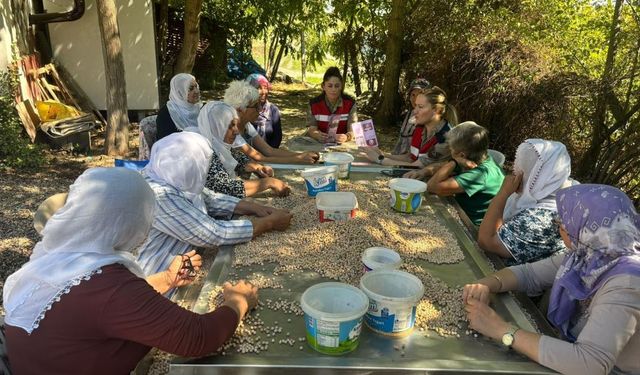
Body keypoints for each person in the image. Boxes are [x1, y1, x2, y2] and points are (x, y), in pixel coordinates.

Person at [2, 167, 259, 374]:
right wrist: (237, 301)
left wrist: (166, 280)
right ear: (127, 221)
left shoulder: (56, 260)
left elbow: (96, 309)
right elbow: (197, 337)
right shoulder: (112, 287)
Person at [463, 184, 640, 375]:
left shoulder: (627, 283)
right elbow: (529, 274)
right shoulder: (588, 255)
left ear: (586, 229)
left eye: (564, 224)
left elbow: (590, 364)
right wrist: (487, 283)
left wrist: (503, 330)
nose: (560, 229)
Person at [136, 132, 292, 276]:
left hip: (184, 267)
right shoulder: (159, 195)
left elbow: (209, 198)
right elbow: (212, 233)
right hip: (160, 278)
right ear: (188, 164)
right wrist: (269, 223)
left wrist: (257, 208)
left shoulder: (169, 174)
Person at [478, 139, 576, 265]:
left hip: (506, 275)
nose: (515, 171)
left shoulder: (539, 220)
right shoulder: (559, 185)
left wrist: (503, 194)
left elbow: (487, 242)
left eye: (523, 168)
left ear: (540, 174)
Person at [408, 121, 504, 225]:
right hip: (460, 211)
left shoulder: (480, 175)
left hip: (472, 227)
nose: (450, 152)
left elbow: (432, 186)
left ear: (462, 155)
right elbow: (443, 165)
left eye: (451, 150)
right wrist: (424, 171)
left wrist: (453, 163)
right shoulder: (481, 157)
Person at [193, 101, 290, 198]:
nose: (236, 131)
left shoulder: (221, 144)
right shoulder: (202, 150)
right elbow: (225, 187)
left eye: (235, 125)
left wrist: (258, 168)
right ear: (216, 127)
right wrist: (268, 182)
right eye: (230, 126)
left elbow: (240, 160)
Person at [224, 80, 319, 164]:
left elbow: (269, 151)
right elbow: (259, 158)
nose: (260, 109)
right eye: (256, 106)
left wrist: (302, 155)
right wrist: (299, 159)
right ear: (240, 109)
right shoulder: (230, 131)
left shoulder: (247, 126)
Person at [363, 86, 458, 167]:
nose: (415, 111)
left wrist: (380, 159)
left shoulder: (445, 138)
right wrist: (382, 153)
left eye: (420, 107)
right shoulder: (420, 128)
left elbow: (416, 166)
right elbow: (410, 157)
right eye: (416, 106)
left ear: (436, 110)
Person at [307, 67, 358, 144]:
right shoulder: (314, 104)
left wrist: (346, 137)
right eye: (330, 86)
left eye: (337, 86)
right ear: (323, 86)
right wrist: (317, 135)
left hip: (343, 145)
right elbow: (311, 129)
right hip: (319, 144)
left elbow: (353, 130)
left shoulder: (350, 104)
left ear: (341, 86)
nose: (333, 89)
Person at [392, 78, 433, 155]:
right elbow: (400, 141)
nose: (415, 99)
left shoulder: (429, 119)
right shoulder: (409, 114)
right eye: (413, 95)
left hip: (414, 164)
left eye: (419, 95)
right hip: (400, 162)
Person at [156, 73, 202, 140]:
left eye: (196, 86)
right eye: (191, 88)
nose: (196, 91)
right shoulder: (166, 114)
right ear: (180, 92)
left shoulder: (200, 108)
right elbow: (165, 142)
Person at [247, 73, 283, 148]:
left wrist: (268, 156)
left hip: (269, 154)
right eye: (259, 88)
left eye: (266, 88)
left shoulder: (273, 110)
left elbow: (277, 138)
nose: (263, 92)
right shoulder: (244, 110)